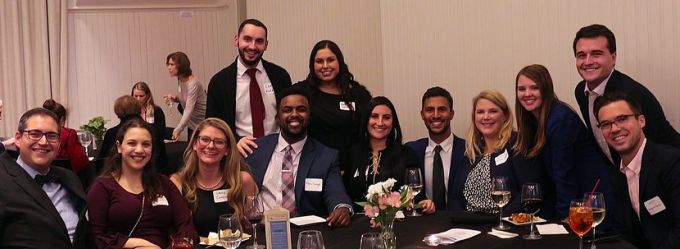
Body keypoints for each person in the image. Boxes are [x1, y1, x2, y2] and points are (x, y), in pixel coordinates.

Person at [515, 64, 614, 226]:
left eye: (534, 87)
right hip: (575, 197)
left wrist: (563, 215)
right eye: (521, 89)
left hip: (592, 197)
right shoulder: (534, 121)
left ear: (546, 89)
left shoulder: (559, 120)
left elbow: (563, 173)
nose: (527, 94)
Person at [573, 24, 680, 165]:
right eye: (581, 55)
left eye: (596, 54)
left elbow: (654, 147)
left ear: (613, 57)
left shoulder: (632, 95)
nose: (588, 61)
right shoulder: (581, 91)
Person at [246, 87, 353, 227]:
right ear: (278, 117)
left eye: (301, 109)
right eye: (287, 110)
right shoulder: (255, 149)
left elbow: (336, 192)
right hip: (262, 232)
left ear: (309, 115)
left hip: (305, 234)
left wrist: (342, 208)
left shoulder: (326, 156)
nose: (294, 114)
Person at [88, 118, 198, 248]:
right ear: (119, 147)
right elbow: (97, 237)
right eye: (132, 143)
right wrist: (140, 244)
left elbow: (186, 227)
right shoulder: (102, 187)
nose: (139, 150)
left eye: (146, 144)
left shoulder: (164, 184)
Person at [594, 92, 680, 249]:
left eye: (622, 119)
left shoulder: (671, 162)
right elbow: (623, 230)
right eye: (606, 124)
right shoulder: (618, 173)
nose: (614, 129)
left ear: (641, 120)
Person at [0, 108, 88, 248]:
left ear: (59, 142)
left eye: (51, 135)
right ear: (18, 139)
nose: (43, 142)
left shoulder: (69, 178)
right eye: (34, 134)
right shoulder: (3, 180)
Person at [449, 90, 544, 216]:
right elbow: (455, 197)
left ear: (505, 116)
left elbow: (528, 192)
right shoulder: (471, 151)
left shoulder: (517, 144)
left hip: (506, 226)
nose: (486, 117)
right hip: (469, 227)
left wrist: (498, 220)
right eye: (480, 112)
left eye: (493, 111)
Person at [206, 19, 292, 158]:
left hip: (277, 153)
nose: (252, 46)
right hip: (238, 155)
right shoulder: (219, 82)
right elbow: (213, 125)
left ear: (266, 45)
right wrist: (234, 140)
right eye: (247, 39)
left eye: (259, 41)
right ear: (236, 40)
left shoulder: (280, 76)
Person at [171, 118, 257, 240]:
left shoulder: (243, 180)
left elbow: (251, 229)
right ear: (195, 144)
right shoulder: (178, 182)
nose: (211, 146)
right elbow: (174, 233)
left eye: (219, 142)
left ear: (227, 149)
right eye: (205, 139)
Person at [342, 96, 429, 212]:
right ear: (365, 120)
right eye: (374, 116)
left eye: (386, 118)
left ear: (393, 122)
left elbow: (415, 195)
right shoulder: (353, 154)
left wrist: (424, 203)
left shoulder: (406, 154)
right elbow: (345, 193)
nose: (380, 122)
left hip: (399, 224)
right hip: (357, 224)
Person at [294, 40, 372, 158]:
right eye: (320, 61)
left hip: (351, 163)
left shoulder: (358, 94)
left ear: (339, 62)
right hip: (312, 163)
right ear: (312, 65)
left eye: (330, 60)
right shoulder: (300, 92)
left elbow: (369, 129)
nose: (325, 66)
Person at [405, 87, 466, 211]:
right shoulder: (410, 150)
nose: (436, 115)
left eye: (442, 109)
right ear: (422, 114)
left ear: (452, 114)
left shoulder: (469, 150)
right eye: (430, 110)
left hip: (460, 225)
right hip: (422, 224)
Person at [99, 96, 169, 175]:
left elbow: (102, 163)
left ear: (118, 113)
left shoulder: (112, 133)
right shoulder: (154, 130)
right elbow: (163, 162)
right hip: (153, 176)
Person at [163, 51, 207, 141]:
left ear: (180, 65)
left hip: (203, 124)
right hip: (192, 123)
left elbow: (189, 109)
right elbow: (186, 98)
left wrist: (178, 129)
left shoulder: (193, 84)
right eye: (168, 64)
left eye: (171, 64)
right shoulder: (180, 79)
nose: (169, 67)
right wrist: (175, 99)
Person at [42, 99, 90, 173]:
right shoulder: (68, 134)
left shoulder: (36, 133)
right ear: (62, 119)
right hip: (63, 177)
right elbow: (80, 162)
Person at [132, 82, 170, 174]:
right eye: (135, 96)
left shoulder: (156, 111)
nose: (138, 99)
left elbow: (161, 133)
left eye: (141, 96)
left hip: (155, 155)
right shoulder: (131, 112)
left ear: (148, 95)